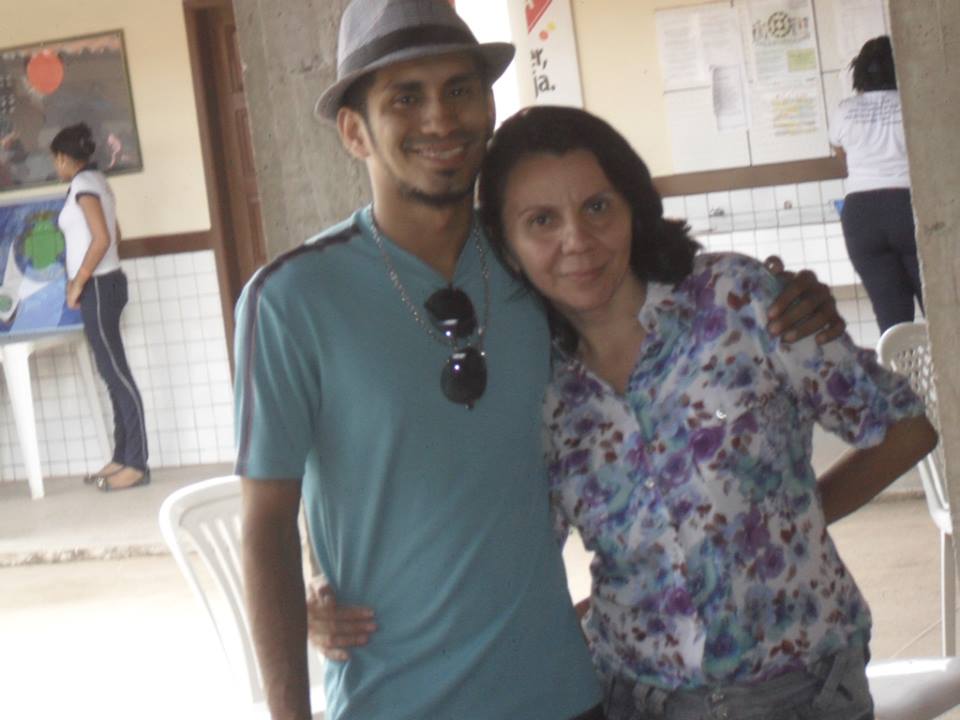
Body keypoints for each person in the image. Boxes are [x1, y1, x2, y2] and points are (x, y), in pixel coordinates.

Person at [236, 2, 846, 719]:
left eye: (460, 89)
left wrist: (794, 303)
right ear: (353, 131)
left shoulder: (538, 263)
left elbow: (679, 309)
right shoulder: (293, 299)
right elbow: (267, 521)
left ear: (489, 107)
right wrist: (306, 616)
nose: (440, 117)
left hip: (563, 693)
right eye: (405, 97)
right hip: (390, 701)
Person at [475, 106, 934, 719]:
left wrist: (787, 523)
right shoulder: (536, 388)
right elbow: (515, 556)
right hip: (638, 696)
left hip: (800, 690)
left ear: (633, 207)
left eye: (597, 207)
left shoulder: (737, 302)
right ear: (506, 247)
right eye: (541, 221)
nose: (577, 240)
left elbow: (906, 431)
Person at [51, 122, 149, 492]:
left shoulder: (83, 186)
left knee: (116, 374)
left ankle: (136, 464)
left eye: (56, 160)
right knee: (111, 372)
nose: (56, 167)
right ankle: (122, 456)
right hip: (106, 284)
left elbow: (103, 237)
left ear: (64, 158)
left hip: (99, 287)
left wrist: (80, 281)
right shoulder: (97, 182)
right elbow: (115, 234)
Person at [831, 35, 922, 333]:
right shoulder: (914, 104)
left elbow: (841, 154)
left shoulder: (845, 110)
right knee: (941, 307)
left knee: (891, 318)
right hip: (910, 207)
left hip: (861, 216)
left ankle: (900, 363)